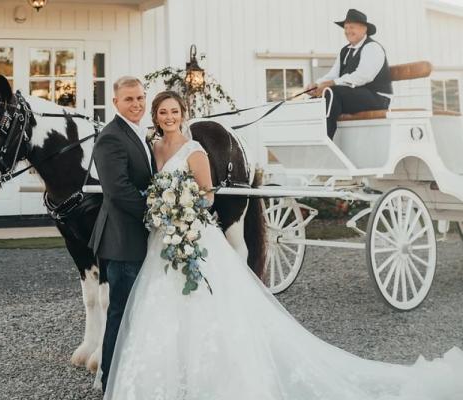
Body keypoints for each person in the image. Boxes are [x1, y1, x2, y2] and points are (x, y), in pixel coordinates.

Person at [102, 91, 463, 399]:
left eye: (174, 112)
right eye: (163, 112)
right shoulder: (154, 148)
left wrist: (182, 207)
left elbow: (209, 197)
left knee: (204, 305)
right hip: (162, 239)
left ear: (183, 115)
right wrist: (165, 206)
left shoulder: (194, 150)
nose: (168, 117)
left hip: (191, 230)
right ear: (156, 116)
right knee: (161, 305)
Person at [88, 76, 156, 391]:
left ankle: (129, 373)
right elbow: (118, 191)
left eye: (140, 98)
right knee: (121, 311)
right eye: (129, 99)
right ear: (115, 102)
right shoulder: (111, 137)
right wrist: (156, 214)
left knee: (137, 310)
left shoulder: (138, 133)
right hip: (121, 239)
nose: (137, 104)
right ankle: (110, 379)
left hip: (136, 238)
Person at [309, 9, 393, 139]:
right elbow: (333, 75)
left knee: (332, 93)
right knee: (316, 99)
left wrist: (332, 84)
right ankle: (314, 139)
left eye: (351, 27)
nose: (348, 31)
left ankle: (326, 140)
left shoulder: (372, 47)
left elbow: (364, 75)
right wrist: (316, 85)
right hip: (357, 94)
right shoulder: (345, 51)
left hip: (377, 98)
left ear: (364, 29)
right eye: (346, 28)